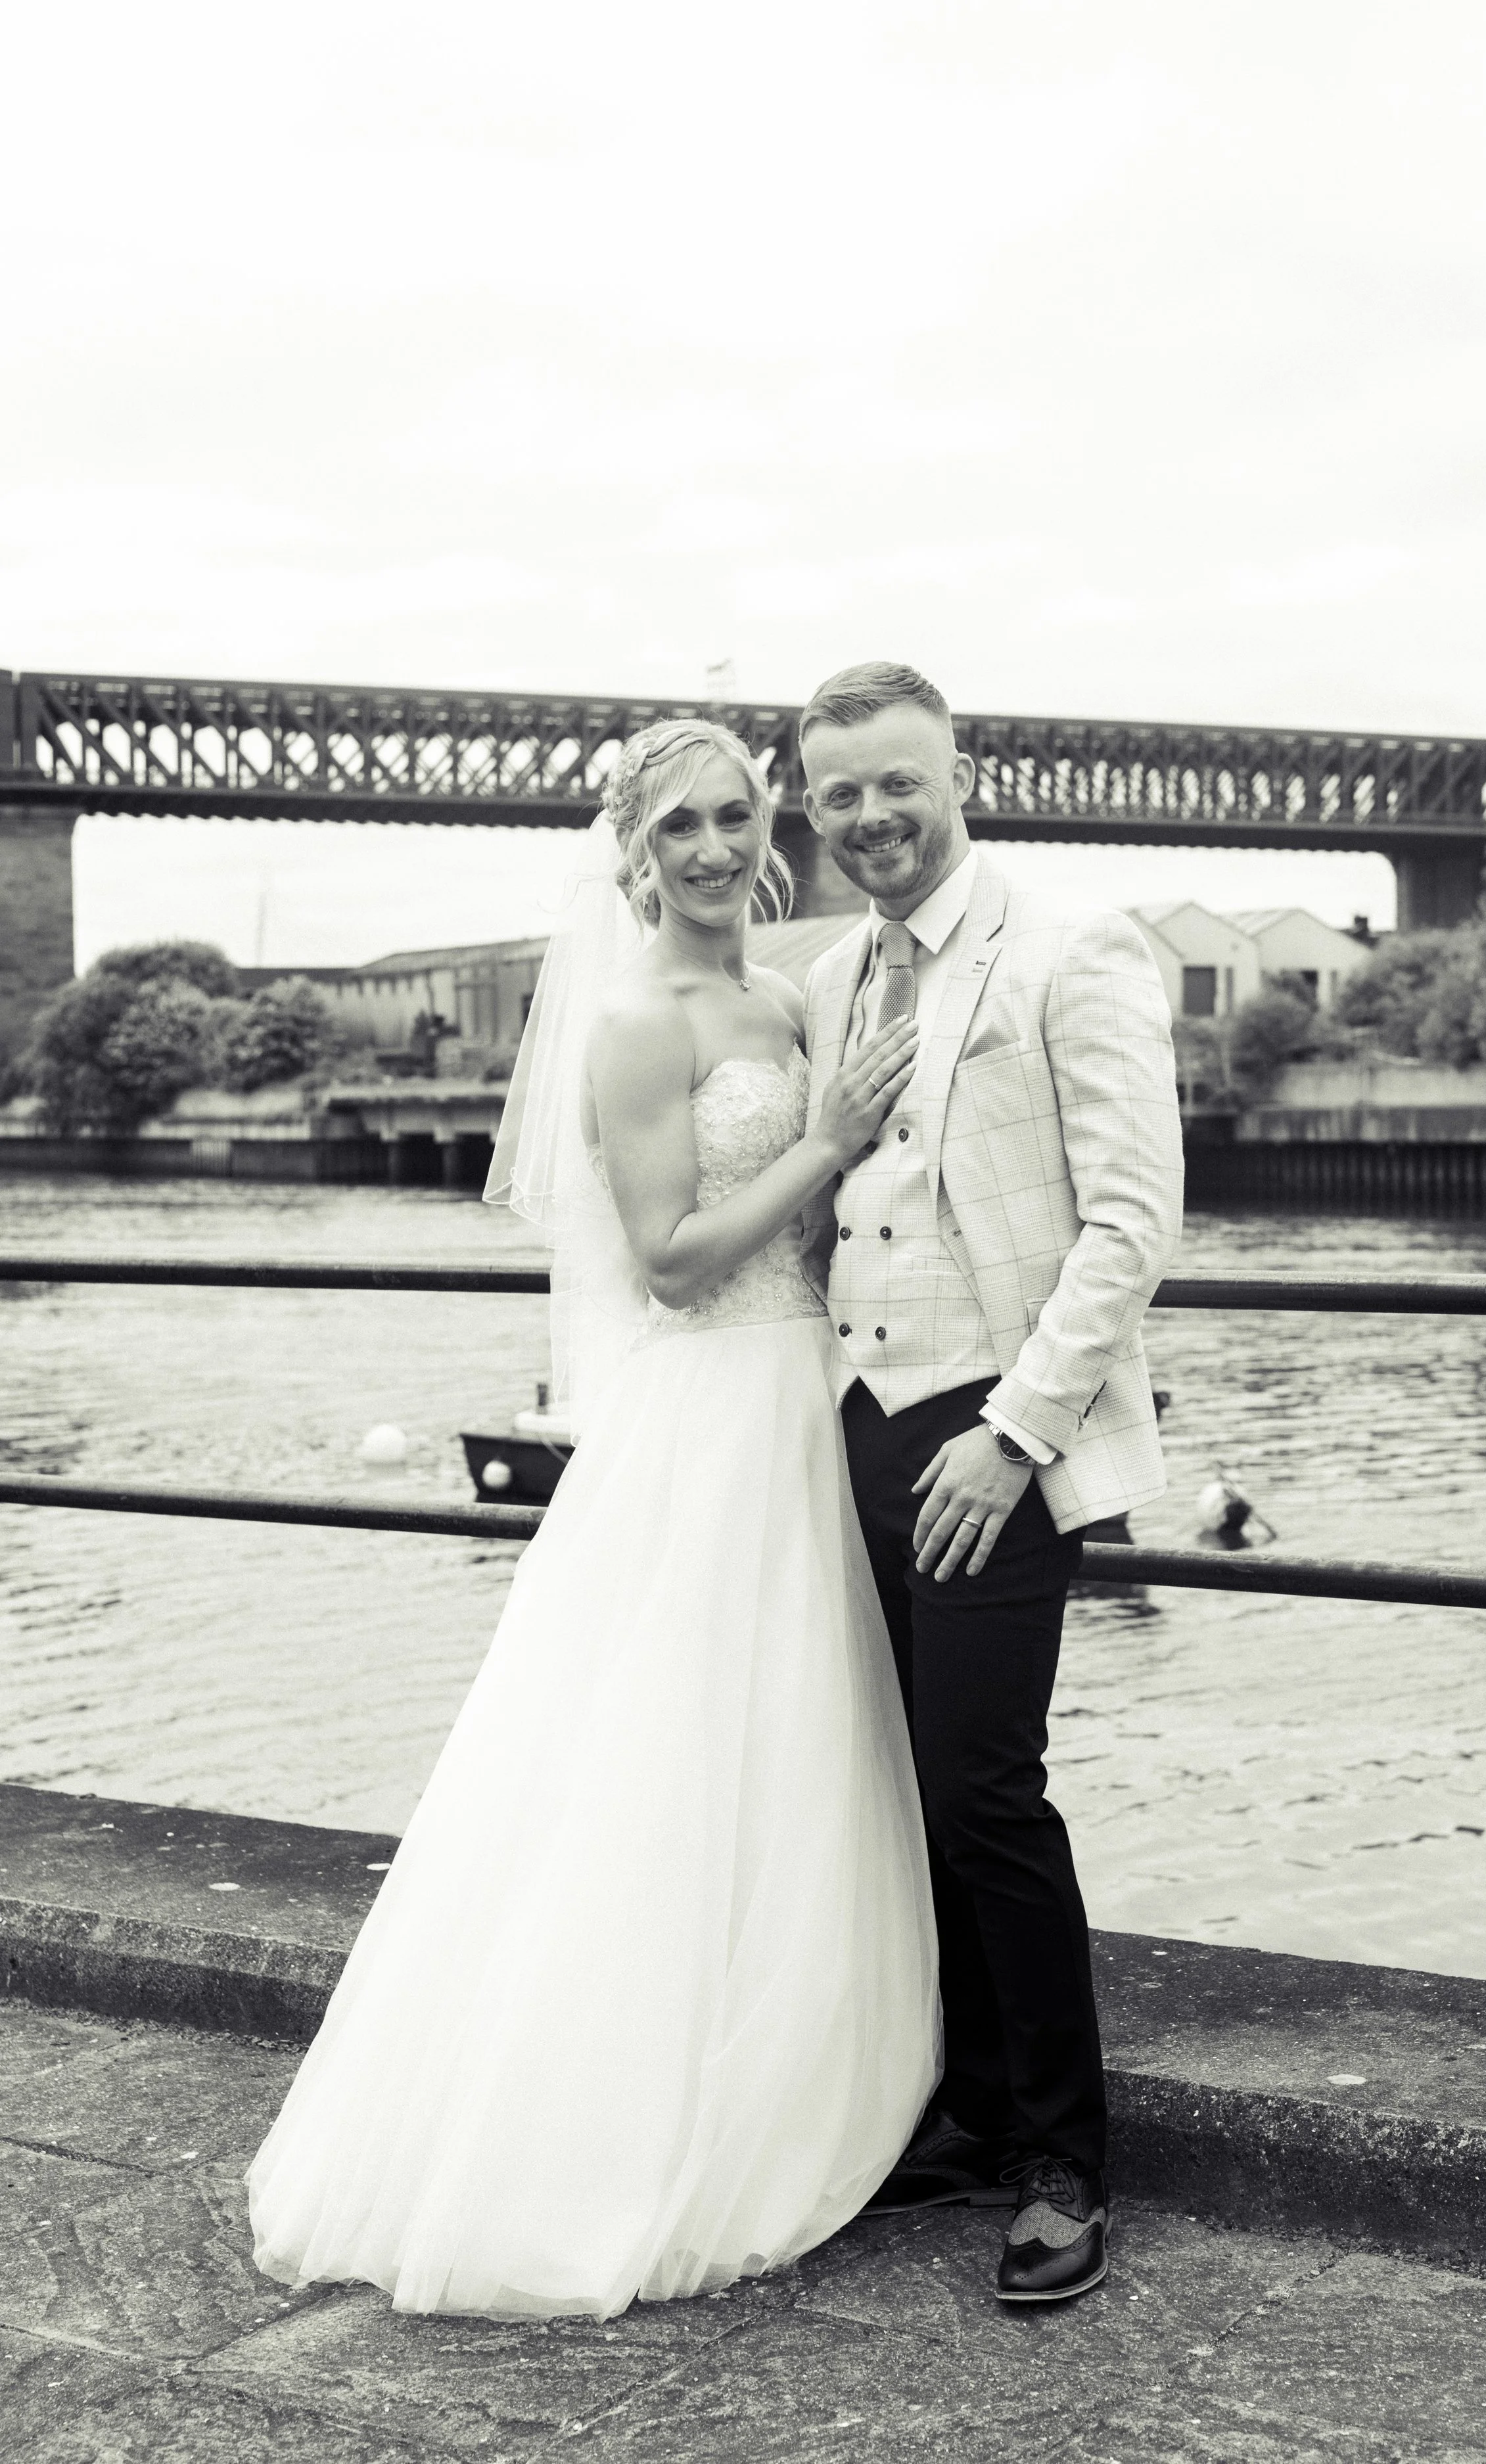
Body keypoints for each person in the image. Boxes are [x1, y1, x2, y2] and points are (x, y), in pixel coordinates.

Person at [246, 718, 940, 2321]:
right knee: (661, 1756)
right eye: (679, 824)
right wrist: (829, 1137)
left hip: (807, 1405)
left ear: (768, 830)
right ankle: (619, 2127)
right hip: (709, 1412)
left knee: (791, 1748)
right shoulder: (635, 1023)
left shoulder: (786, 995)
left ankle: (790, 2076)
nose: (710, 846)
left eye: (733, 817)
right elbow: (672, 1256)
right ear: (634, 850)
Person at [799, 661, 1183, 2303]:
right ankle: (961, 2110)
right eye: (840, 794)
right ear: (813, 811)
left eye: (898, 782)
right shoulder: (827, 980)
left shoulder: (1072, 948)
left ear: (961, 773)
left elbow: (1131, 1221)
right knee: (896, 1784)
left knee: (979, 1784)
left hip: (989, 1433)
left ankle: (1062, 2161)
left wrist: (1014, 1433)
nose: (872, 817)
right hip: (853, 1421)